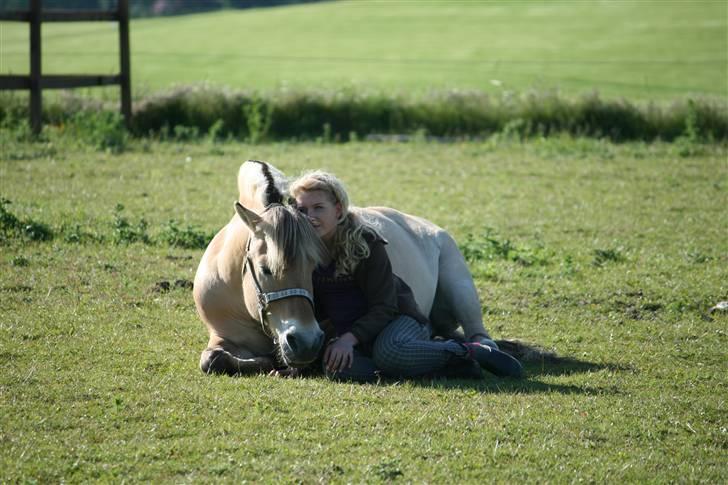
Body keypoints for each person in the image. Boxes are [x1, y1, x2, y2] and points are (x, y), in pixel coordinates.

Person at [288, 170, 523, 382]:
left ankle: (472, 351)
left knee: (389, 353)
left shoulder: (366, 243)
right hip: (357, 334)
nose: (310, 216)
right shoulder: (300, 253)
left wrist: (348, 340)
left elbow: (385, 306)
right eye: (302, 210)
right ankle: (447, 367)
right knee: (336, 369)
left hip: (397, 320)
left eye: (319, 208)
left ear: (338, 209)